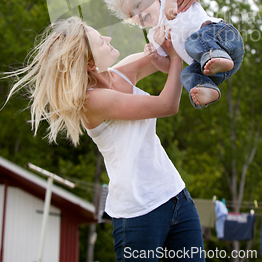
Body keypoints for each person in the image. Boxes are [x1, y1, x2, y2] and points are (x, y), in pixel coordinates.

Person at [5, 15, 205, 261]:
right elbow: (167, 105)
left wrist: (180, 5)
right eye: (101, 41)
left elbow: (175, 44)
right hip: (138, 213)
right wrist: (174, 59)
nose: (108, 38)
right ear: (90, 63)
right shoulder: (93, 101)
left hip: (176, 195)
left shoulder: (122, 73)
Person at [104, 0, 244, 109]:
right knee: (187, 74)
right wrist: (155, 58)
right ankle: (207, 88)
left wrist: (171, 0)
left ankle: (217, 55)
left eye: (138, 5)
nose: (138, 14)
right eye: (132, 14)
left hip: (222, 36)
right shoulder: (155, 35)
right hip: (217, 68)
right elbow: (168, 67)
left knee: (192, 41)